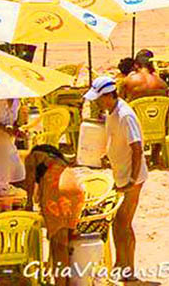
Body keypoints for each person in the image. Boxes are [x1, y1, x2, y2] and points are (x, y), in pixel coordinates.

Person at [86, 75, 147, 279]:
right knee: (116, 222)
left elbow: (137, 148)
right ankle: (120, 265)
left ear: (108, 96)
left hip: (131, 176)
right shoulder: (111, 112)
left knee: (124, 222)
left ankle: (128, 269)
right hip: (119, 173)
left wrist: (132, 179)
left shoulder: (125, 115)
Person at [26, 144, 86, 285]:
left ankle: (60, 283)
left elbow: (30, 181)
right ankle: (67, 281)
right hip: (75, 187)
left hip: (56, 188)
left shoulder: (31, 156)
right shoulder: (58, 160)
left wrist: (28, 203)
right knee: (66, 243)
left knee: (58, 244)